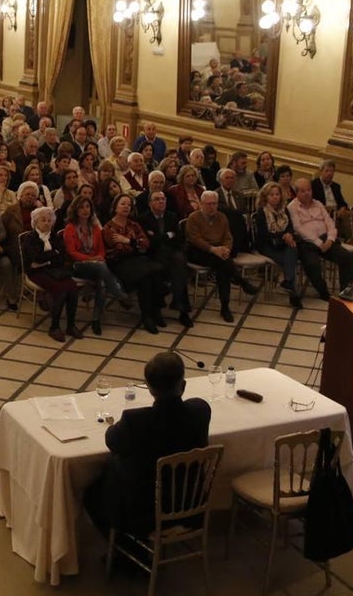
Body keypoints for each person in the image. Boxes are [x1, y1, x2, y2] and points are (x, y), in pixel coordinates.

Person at [83, 351, 211, 537]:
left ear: (149, 388)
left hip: (144, 513)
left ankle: (124, 549)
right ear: (183, 386)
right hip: (190, 504)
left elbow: (112, 441)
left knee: (94, 492)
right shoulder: (201, 410)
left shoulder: (135, 421)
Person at [185, 191, 259, 323]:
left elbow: (228, 237)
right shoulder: (194, 218)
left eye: (214, 204)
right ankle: (240, 282)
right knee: (224, 263)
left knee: (223, 268)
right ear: (201, 204)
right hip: (198, 251)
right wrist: (213, 250)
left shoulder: (222, 217)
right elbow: (195, 239)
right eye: (208, 204)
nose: (212, 207)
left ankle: (225, 305)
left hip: (218, 252)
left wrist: (226, 249)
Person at [103, 194, 167, 334]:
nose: (126, 207)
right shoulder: (109, 227)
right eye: (123, 204)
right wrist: (135, 245)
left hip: (136, 259)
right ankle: (148, 315)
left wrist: (129, 241)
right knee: (145, 277)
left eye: (129, 205)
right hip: (119, 262)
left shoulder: (134, 224)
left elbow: (146, 243)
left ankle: (155, 312)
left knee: (155, 272)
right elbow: (118, 249)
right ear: (115, 207)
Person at [62, 196, 125, 336]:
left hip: (95, 265)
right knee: (100, 268)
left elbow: (101, 250)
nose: (85, 210)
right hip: (76, 266)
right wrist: (92, 259)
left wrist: (99, 259)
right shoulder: (70, 228)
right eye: (81, 207)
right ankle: (119, 294)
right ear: (75, 210)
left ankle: (96, 320)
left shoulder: (95, 227)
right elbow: (72, 253)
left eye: (87, 207)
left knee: (101, 282)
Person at [288, 178, 353, 300]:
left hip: (326, 240)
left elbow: (330, 223)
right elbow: (298, 228)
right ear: (297, 193)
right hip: (307, 242)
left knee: (347, 257)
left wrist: (330, 240)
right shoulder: (292, 207)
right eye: (303, 191)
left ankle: (345, 290)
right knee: (312, 264)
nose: (307, 193)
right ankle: (323, 291)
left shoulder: (318, 204)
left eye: (309, 190)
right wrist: (319, 243)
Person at [22, 207, 82, 342]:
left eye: (49, 220)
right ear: (36, 222)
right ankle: (54, 327)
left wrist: (48, 258)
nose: (47, 223)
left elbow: (62, 256)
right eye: (43, 220)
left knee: (72, 287)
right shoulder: (30, 238)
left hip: (55, 270)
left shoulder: (54, 236)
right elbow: (36, 257)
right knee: (60, 290)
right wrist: (53, 254)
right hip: (36, 272)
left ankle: (71, 325)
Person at [138, 190, 194, 327]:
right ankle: (175, 308)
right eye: (157, 199)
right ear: (150, 203)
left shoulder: (172, 216)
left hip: (171, 252)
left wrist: (160, 237)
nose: (161, 202)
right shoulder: (143, 219)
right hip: (154, 254)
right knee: (175, 269)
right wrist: (168, 236)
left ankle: (182, 311)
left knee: (179, 264)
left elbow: (180, 238)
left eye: (163, 199)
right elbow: (149, 243)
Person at [252, 182, 304, 308]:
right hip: (267, 245)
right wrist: (284, 236)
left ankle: (288, 283)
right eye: (271, 195)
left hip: (283, 244)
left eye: (277, 194)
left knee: (292, 249)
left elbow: (290, 227)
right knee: (290, 259)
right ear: (266, 197)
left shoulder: (284, 210)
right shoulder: (261, 213)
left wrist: (289, 235)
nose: (275, 197)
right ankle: (293, 295)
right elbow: (264, 235)